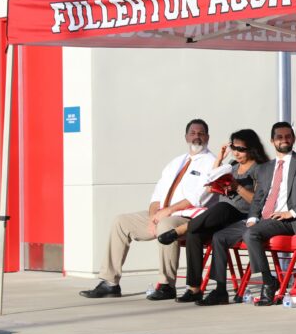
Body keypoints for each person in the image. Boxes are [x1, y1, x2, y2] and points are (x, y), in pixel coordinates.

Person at [79, 119, 216, 301]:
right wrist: (153, 217)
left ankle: (166, 285)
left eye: (200, 133)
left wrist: (166, 213)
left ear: (207, 137)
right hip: (162, 214)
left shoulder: (211, 162)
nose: (196, 137)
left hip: (187, 217)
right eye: (192, 133)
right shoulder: (176, 162)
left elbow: (199, 197)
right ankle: (110, 283)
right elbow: (157, 194)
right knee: (121, 221)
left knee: (166, 225)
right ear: (185, 137)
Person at [208, 122, 296, 306]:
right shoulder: (265, 168)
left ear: (293, 138)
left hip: (289, 220)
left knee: (251, 234)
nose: (284, 140)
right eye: (279, 137)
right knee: (219, 237)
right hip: (264, 219)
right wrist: (253, 217)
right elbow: (258, 198)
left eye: (287, 136)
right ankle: (220, 289)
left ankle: (268, 282)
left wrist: (291, 212)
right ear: (272, 141)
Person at [174, 129, 269, 305]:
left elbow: (259, 202)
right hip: (223, 217)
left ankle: (181, 229)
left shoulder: (260, 168)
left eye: (241, 149)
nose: (236, 152)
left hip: (243, 215)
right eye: (234, 147)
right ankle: (194, 288)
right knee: (194, 234)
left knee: (222, 208)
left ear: (251, 149)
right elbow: (210, 182)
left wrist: (237, 187)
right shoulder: (231, 166)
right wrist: (219, 162)